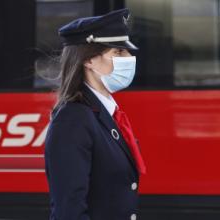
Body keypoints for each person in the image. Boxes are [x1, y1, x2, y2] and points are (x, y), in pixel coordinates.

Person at [44, 8, 147, 220]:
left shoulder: (103, 114)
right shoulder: (73, 120)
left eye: (127, 51)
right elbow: (69, 211)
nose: (129, 57)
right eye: (118, 52)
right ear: (88, 60)